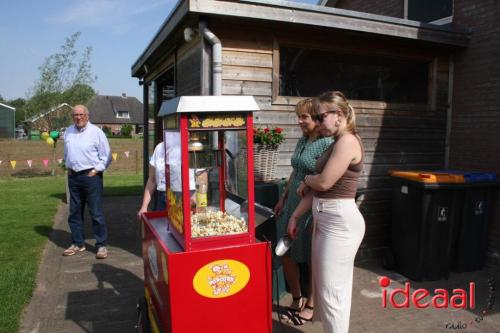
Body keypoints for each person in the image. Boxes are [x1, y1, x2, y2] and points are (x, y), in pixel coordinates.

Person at [288, 91, 365, 333]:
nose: (317, 123)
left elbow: (322, 183)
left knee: (333, 293)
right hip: (326, 217)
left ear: (339, 115)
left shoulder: (348, 141)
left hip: (340, 220)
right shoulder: (335, 143)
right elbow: (317, 189)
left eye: (320, 118)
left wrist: (307, 179)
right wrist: (295, 216)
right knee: (324, 288)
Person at [274, 98, 332, 325]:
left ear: (317, 119)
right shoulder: (302, 139)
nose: (299, 121)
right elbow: (295, 171)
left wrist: (308, 185)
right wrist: (283, 197)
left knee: (311, 257)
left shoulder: (327, 143)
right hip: (291, 205)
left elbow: (327, 177)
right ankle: (296, 297)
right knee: (287, 252)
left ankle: (312, 302)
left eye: (304, 117)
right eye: (298, 116)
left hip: (312, 205)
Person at [63, 105, 112, 259]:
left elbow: (107, 156)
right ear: (72, 116)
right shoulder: (68, 131)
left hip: (91, 177)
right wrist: (68, 167)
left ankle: (101, 245)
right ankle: (78, 243)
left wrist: (96, 171)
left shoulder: (96, 133)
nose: (78, 117)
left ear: (87, 115)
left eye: (81, 114)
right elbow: (67, 153)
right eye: (75, 115)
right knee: (74, 213)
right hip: (73, 177)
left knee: (96, 213)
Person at [138, 141, 167, 218]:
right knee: (161, 228)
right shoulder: (159, 148)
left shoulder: (187, 147)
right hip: (162, 199)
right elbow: (152, 179)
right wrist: (144, 207)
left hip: (181, 200)